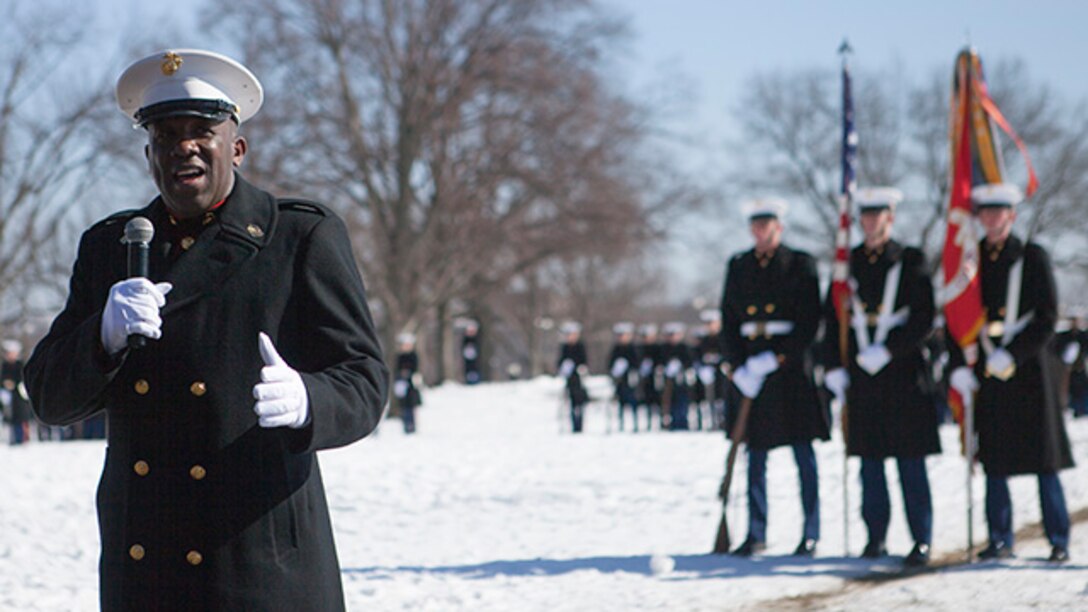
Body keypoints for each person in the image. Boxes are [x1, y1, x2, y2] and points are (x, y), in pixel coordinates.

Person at [24, 49, 389, 610]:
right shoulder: (111, 248)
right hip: (146, 569)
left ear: (236, 148)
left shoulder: (297, 238)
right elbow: (48, 397)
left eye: (201, 131)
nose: (183, 148)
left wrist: (309, 400)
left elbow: (364, 380)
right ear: (149, 155)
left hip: (257, 565)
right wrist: (101, 339)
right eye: (166, 136)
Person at [948, 183, 1073, 563]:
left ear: (1011, 216)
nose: (991, 219)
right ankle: (999, 537)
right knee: (995, 460)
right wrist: (958, 366)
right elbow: (958, 315)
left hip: (1029, 369)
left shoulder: (1031, 256)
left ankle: (1058, 538)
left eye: (998, 212)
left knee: (1043, 460)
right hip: (988, 364)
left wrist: (1015, 355)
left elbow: (1048, 317)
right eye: (985, 213)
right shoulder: (972, 259)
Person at [821, 187, 940, 567]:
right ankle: (875, 537)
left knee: (910, 462)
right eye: (865, 217)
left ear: (890, 219)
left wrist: (889, 349)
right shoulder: (848, 262)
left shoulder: (909, 259)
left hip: (902, 373)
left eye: (878, 217)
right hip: (862, 376)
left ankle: (921, 538)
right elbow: (831, 319)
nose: (870, 223)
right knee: (870, 464)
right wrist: (834, 367)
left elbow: (924, 317)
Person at [719, 197, 829, 557]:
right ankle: (756, 531)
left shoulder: (800, 264)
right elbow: (730, 321)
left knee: (803, 455)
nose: (759, 230)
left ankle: (810, 531)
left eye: (766, 224)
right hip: (752, 368)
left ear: (779, 227)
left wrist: (779, 356)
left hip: (790, 369)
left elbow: (811, 320)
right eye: (755, 224)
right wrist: (738, 367)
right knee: (756, 456)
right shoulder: (738, 265)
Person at [608, 322, 641, 432]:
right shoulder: (616, 349)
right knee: (620, 403)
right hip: (620, 381)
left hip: (630, 381)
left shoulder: (633, 348)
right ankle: (621, 424)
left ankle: (635, 424)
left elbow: (637, 363)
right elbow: (610, 364)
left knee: (633, 402)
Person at [557, 321, 589, 433]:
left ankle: (579, 425)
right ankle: (573, 425)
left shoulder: (580, 347)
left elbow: (583, 362)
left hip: (579, 380)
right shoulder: (565, 347)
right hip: (569, 379)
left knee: (579, 403)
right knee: (570, 403)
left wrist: (580, 368)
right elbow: (560, 361)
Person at [661, 322, 693, 430]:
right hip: (668, 382)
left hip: (682, 381)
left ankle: (683, 423)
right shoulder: (664, 348)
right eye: (670, 334)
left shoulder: (685, 348)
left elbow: (690, 362)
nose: (673, 337)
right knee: (670, 403)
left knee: (682, 403)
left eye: (675, 334)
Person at [1, 339, 31, 445]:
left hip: (19, 396)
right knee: (10, 419)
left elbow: (22, 378)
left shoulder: (20, 365)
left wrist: (14, 384)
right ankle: (12, 438)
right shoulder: (4, 365)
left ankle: (22, 438)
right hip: (9, 396)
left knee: (21, 419)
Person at [393, 333, 423, 434]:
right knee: (403, 406)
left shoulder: (414, 356)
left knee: (411, 406)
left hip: (411, 385)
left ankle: (412, 425)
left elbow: (415, 370)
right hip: (402, 384)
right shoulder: (399, 356)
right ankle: (406, 424)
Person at [461, 320, 482, 384]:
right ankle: (469, 381)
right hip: (467, 356)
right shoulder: (465, 339)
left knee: (474, 368)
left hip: (474, 356)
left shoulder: (476, 339)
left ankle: (475, 380)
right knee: (468, 368)